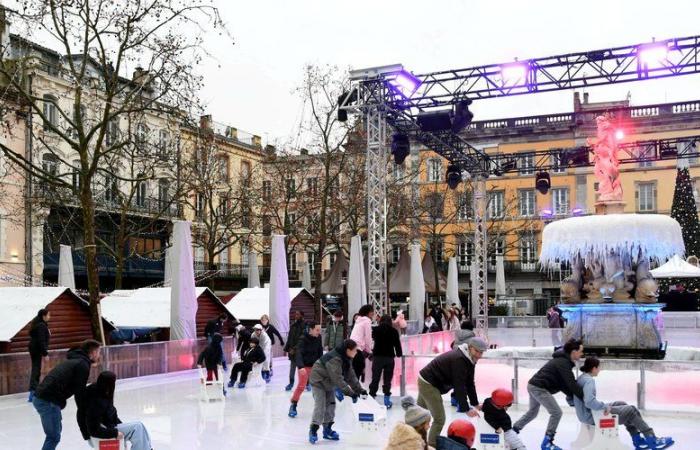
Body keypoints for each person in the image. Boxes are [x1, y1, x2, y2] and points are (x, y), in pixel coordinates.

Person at [574, 357, 674, 450]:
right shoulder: (589, 381)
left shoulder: (581, 378)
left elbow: (570, 399)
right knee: (631, 410)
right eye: (599, 367)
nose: (600, 369)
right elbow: (589, 402)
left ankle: (637, 439)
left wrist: (580, 407)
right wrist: (604, 407)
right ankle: (651, 439)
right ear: (594, 368)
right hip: (592, 416)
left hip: (586, 414)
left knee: (622, 403)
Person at [512, 338, 585, 450]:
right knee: (556, 412)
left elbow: (563, 384)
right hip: (539, 387)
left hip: (533, 385)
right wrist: (584, 397)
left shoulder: (563, 361)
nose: (582, 354)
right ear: (574, 352)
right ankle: (547, 442)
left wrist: (572, 396)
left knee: (532, 412)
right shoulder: (563, 363)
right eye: (580, 351)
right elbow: (571, 384)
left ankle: (512, 432)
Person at [418, 337, 487, 447]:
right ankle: (431, 446)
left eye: (481, 352)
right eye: (477, 351)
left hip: (427, 379)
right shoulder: (459, 359)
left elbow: (469, 383)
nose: (479, 355)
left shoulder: (470, 359)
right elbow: (459, 386)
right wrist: (466, 409)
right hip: (429, 383)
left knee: (419, 415)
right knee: (439, 419)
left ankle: (414, 440)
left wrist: (475, 403)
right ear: (470, 348)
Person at [33, 339, 101, 450]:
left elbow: (77, 388)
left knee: (55, 433)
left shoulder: (76, 360)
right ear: (92, 353)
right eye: (98, 352)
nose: (99, 355)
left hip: (43, 397)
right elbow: (79, 392)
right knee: (53, 437)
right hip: (48, 400)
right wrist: (84, 412)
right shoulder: (82, 364)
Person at [307, 339, 367, 444]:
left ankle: (327, 429)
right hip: (318, 381)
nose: (356, 352)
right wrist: (350, 393)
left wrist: (359, 390)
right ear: (348, 350)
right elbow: (338, 379)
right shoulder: (335, 359)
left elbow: (350, 375)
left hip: (329, 382)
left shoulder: (346, 358)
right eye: (355, 350)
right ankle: (313, 429)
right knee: (320, 405)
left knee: (331, 405)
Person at [76, 371, 152, 450]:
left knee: (140, 426)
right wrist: (115, 433)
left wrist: (121, 426)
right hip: (103, 432)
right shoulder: (97, 402)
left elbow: (110, 414)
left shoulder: (98, 392)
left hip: (107, 427)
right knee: (138, 427)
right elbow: (94, 430)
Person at [288, 322, 323, 418]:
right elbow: (298, 353)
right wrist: (300, 367)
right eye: (317, 330)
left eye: (320, 330)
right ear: (311, 329)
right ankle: (293, 405)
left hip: (315, 366)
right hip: (304, 366)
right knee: (301, 386)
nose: (319, 332)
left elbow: (320, 351)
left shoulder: (318, 337)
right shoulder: (303, 339)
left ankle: (320, 407)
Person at [369, 314, 403, 409]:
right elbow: (397, 344)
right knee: (387, 380)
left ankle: (371, 397)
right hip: (389, 358)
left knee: (375, 378)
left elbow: (371, 341)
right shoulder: (394, 331)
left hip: (377, 357)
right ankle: (386, 400)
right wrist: (399, 354)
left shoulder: (375, 330)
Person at [450, 321, 476, 407]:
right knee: (467, 381)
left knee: (457, 380)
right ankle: (462, 402)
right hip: (466, 361)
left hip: (454, 359)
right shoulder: (472, 337)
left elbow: (452, 345)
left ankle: (454, 399)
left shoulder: (457, 335)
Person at [28, 308, 51, 402]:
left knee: (36, 369)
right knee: (36, 370)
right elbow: (41, 340)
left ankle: (33, 392)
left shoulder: (40, 324)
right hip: (36, 349)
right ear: (43, 316)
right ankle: (33, 393)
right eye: (49, 315)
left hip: (35, 349)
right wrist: (45, 353)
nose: (50, 317)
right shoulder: (41, 325)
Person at [349, 304, 374, 382]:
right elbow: (368, 337)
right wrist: (369, 350)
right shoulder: (366, 321)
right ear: (368, 312)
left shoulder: (358, 321)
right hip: (357, 348)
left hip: (351, 347)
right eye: (372, 312)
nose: (373, 314)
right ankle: (353, 390)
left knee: (354, 369)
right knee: (358, 369)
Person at [284, 310, 306, 390]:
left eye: (297, 314)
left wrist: (295, 349)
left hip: (300, 351)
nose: (295, 315)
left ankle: (306, 383)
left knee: (302, 368)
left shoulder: (304, 325)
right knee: (292, 367)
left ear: (302, 315)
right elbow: (290, 338)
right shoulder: (293, 325)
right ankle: (291, 383)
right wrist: (287, 348)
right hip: (292, 351)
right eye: (295, 314)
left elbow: (302, 339)